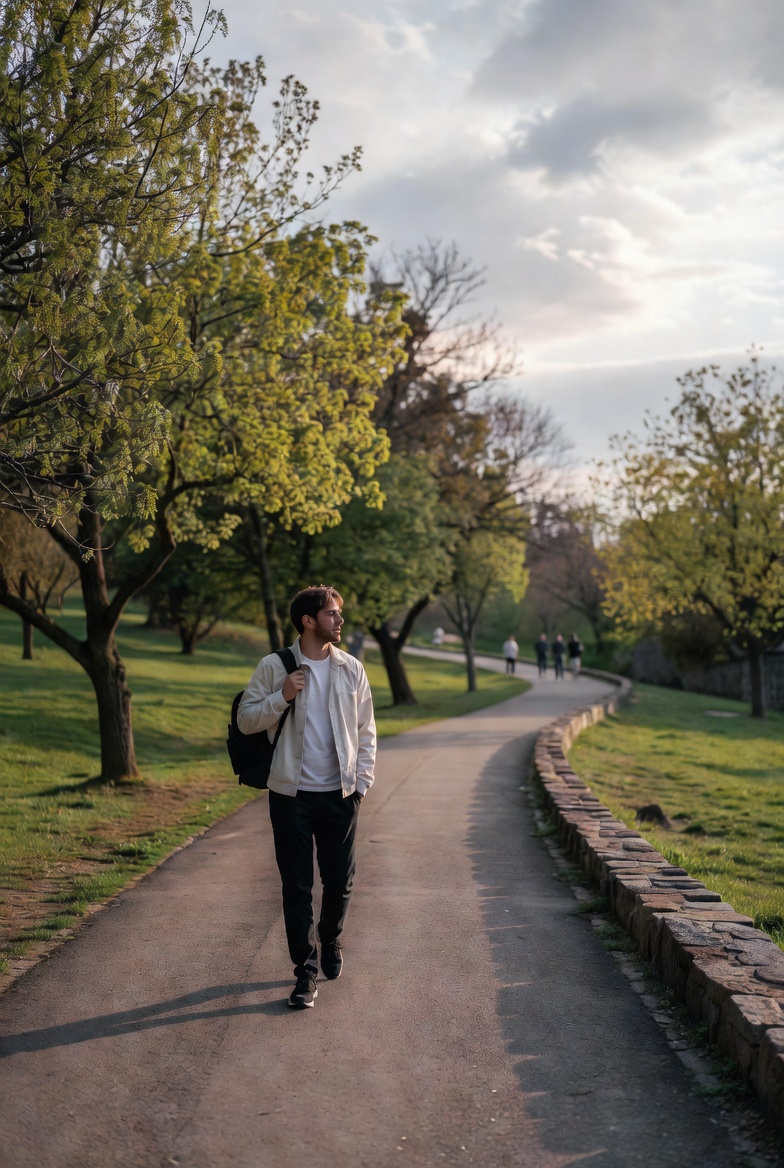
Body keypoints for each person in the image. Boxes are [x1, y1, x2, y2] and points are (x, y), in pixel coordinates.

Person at [238, 585, 376, 1010]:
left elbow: (366, 730)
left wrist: (362, 784)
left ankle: (330, 938)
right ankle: (306, 971)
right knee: (296, 885)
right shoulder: (274, 666)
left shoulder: (351, 668)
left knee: (339, 880)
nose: (339, 621)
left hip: (340, 794)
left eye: (339, 613)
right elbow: (246, 720)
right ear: (308, 621)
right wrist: (283, 696)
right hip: (290, 794)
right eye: (332, 614)